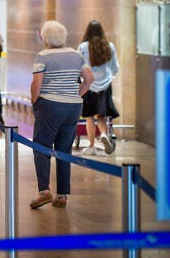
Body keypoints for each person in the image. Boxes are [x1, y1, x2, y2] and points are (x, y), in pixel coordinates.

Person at [29, 20, 93, 209]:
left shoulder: (43, 55)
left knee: (42, 147)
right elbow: (89, 79)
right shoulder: (76, 54)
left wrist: (34, 100)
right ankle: (62, 195)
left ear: (45, 37)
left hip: (49, 106)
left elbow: (36, 84)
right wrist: (76, 94)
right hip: (73, 107)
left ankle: (44, 191)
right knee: (64, 150)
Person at [78, 20, 119, 155]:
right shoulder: (109, 46)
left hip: (89, 84)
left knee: (89, 116)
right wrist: (109, 77)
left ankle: (91, 145)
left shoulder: (83, 47)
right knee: (100, 115)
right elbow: (115, 67)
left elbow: (79, 65)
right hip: (105, 85)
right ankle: (103, 134)